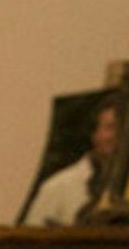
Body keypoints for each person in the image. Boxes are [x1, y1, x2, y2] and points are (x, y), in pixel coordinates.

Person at [24, 93, 123, 226]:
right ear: (94, 134)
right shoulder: (58, 187)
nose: (120, 135)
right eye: (111, 127)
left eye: (125, 128)